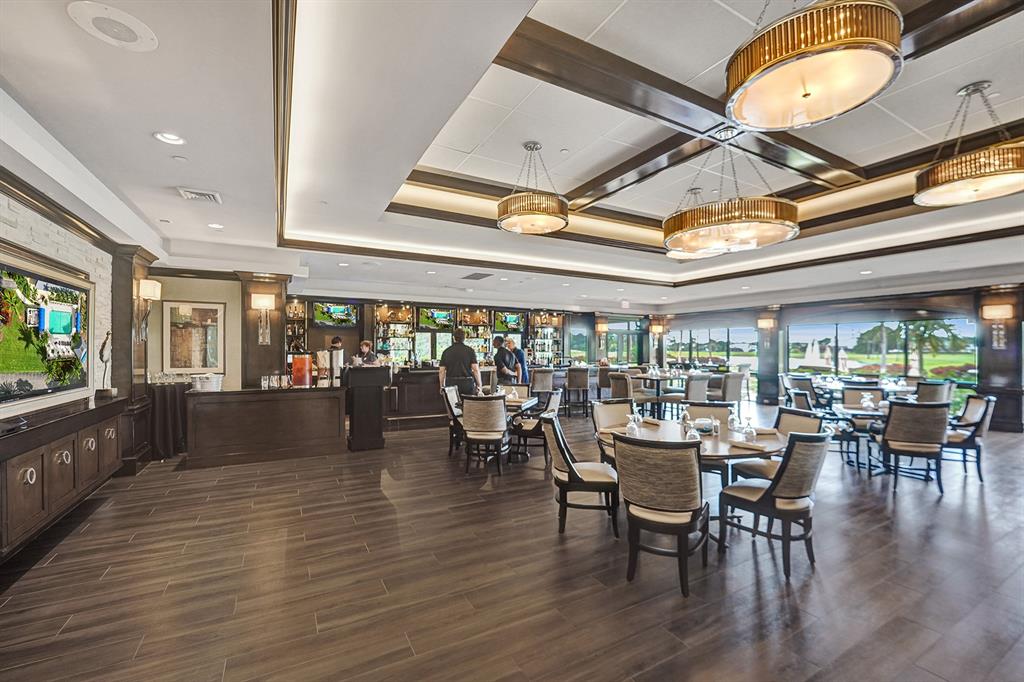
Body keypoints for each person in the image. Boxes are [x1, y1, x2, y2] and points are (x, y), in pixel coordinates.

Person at [439, 328, 482, 396]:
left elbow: (442, 371)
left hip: (451, 383)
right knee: (467, 404)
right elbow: (475, 369)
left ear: (454, 338)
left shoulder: (446, 351)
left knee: (453, 405)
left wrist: (441, 386)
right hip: (467, 383)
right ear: (464, 338)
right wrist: (479, 385)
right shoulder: (470, 351)